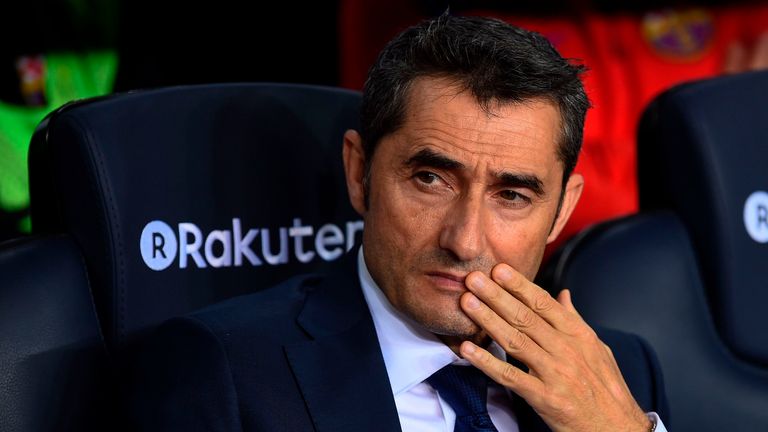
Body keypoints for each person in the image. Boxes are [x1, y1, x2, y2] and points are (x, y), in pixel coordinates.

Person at [131, 13, 669, 432]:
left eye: (511, 195)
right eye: (431, 180)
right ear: (360, 172)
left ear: (562, 211)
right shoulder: (227, 371)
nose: (464, 241)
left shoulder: (621, 372)